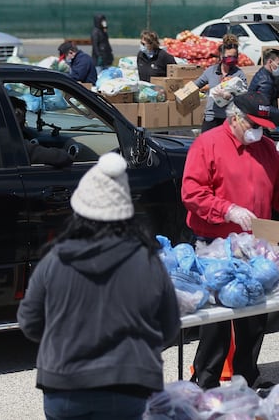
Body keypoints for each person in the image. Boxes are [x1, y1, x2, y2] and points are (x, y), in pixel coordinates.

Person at [17, 152, 181, 420]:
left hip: (64, 387)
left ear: (79, 212)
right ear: (126, 213)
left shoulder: (55, 260)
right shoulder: (148, 261)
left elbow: (29, 323)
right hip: (129, 387)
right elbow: (169, 326)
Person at [181, 91, 279, 390]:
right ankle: (205, 381)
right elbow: (192, 194)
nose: (260, 131)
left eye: (263, 126)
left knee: (254, 316)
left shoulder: (266, 147)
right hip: (215, 243)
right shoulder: (207, 144)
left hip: (255, 244)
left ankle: (247, 377)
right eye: (255, 125)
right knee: (217, 320)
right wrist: (227, 210)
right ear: (236, 117)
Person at [193, 36, 247, 132]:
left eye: (234, 57)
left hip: (229, 119)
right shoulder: (211, 71)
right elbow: (196, 85)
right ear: (221, 56)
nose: (231, 59)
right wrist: (182, 92)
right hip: (211, 118)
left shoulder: (239, 74)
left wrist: (229, 96)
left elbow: (244, 96)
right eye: (228, 57)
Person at [9, 96, 74, 168]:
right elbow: (61, 158)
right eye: (23, 117)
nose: (24, 122)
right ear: (17, 114)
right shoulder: (10, 143)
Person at [247, 48, 279, 127]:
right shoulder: (265, 81)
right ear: (270, 62)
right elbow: (263, 107)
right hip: (258, 123)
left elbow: (272, 93)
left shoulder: (264, 74)